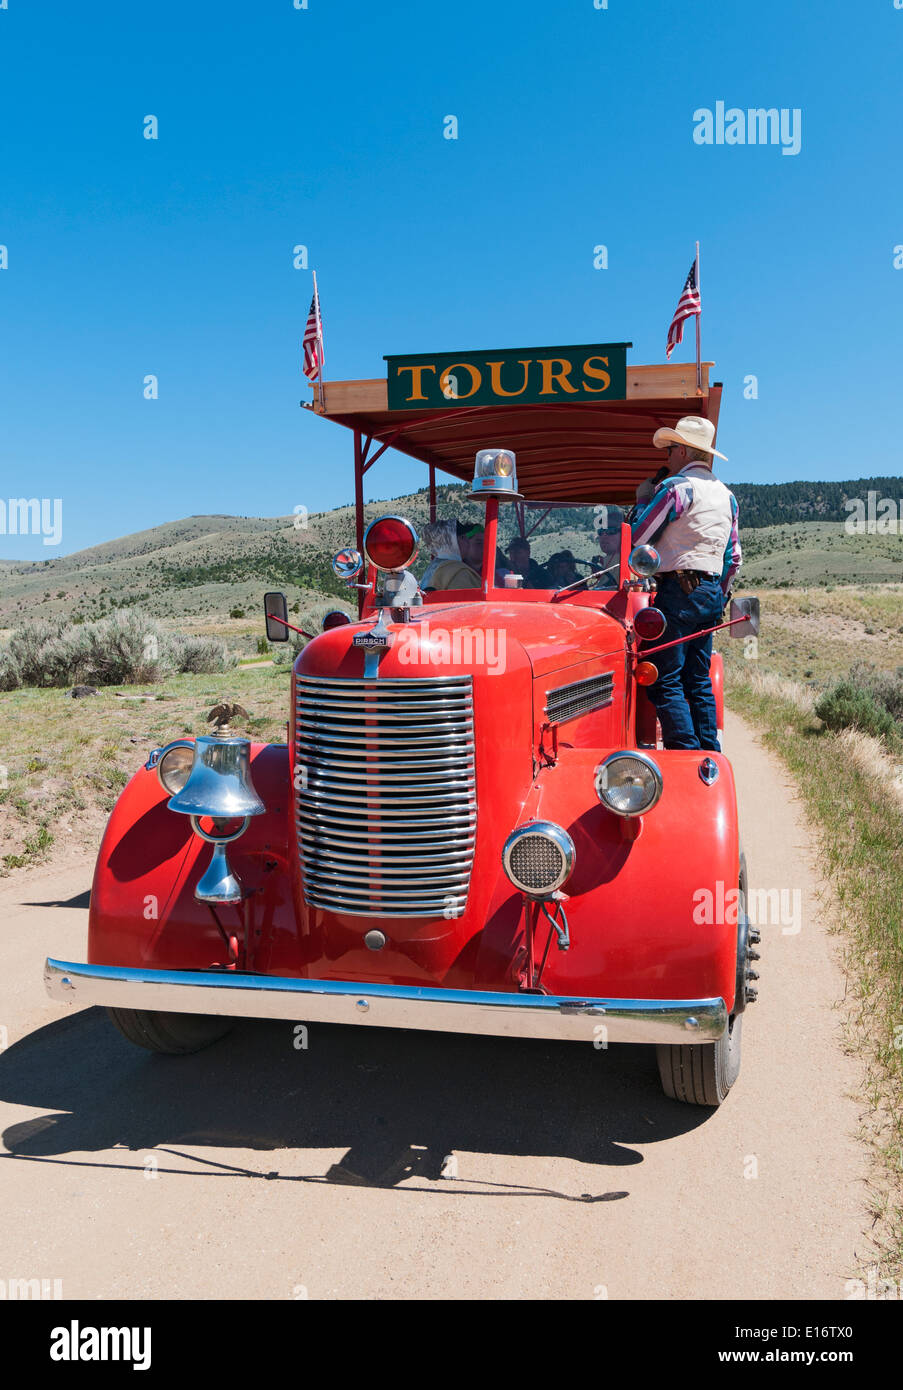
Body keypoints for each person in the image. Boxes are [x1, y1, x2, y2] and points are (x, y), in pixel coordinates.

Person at [631, 415, 741, 753]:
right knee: (697, 680)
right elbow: (733, 558)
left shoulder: (676, 489)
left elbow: (639, 537)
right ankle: (709, 753)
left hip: (676, 591)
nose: (667, 458)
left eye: (669, 450)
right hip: (709, 593)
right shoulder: (727, 497)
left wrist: (641, 500)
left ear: (682, 451)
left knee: (666, 680)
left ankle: (685, 753)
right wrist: (716, 596)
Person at [420, 519, 484, 591]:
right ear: (451, 542)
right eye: (462, 537)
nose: (467, 541)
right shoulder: (459, 572)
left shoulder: (433, 566)